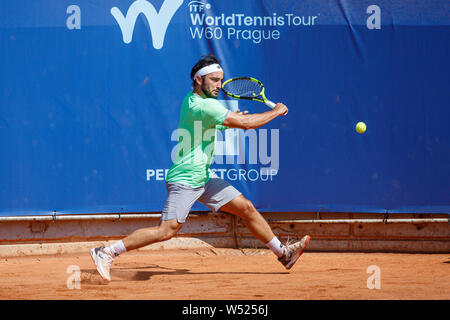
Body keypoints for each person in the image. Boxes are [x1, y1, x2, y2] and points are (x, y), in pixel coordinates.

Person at [90, 54, 310, 281]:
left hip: (203, 176)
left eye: (221, 80)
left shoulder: (192, 101)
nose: (219, 85)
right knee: (166, 231)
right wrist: (276, 111)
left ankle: (284, 254)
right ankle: (106, 252)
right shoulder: (205, 106)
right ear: (198, 80)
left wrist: (231, 120)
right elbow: (245, 125)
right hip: (186, 178)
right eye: (214, 80)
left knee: (246, 208)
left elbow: (212, 124)